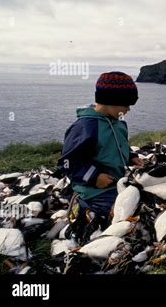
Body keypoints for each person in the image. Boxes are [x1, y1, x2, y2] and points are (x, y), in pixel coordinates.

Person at [58, 71, 143, 244]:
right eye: (126, 104)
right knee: (112, 219)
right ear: (110, 100)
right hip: (96, 190)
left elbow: (119, 147)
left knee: (139, 208)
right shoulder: (86, 127)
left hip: (117, 182)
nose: (128, 109)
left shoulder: (118, 123)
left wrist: (130, 157)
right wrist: (94, 177)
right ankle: (83, 214)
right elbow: (68, 163)